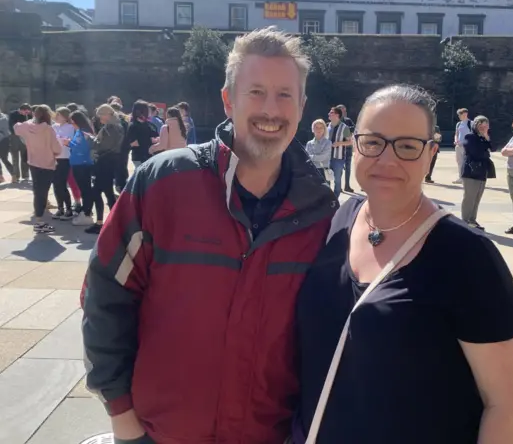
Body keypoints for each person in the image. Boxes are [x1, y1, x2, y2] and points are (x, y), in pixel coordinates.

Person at [81, 26, 338, 444]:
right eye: (255, 92)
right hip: (162, 432)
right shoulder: (164, 182)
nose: (270, 110)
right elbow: (105, 294)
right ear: (227, 99)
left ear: (303, 105)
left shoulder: (320, 211)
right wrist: (122, 416)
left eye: (284, 95)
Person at [295, 84, 513, 444]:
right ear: (355, 143)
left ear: (431, 153)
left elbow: (506, 404)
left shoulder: (466, 255)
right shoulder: (342, 218)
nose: (386, 160)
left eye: (407, 146)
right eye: (373, 142)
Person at [14, 105, 62, 233]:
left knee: (37, 190)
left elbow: (16, 128)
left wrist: (29, 121)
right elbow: (57, 148)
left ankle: (39, 219)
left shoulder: (28, 126)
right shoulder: (49, 130)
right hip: (47, 163)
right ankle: (40, 222)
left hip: (33, 161)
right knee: (43, 191)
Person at [84, 104, 124, 234]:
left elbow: (103, 146)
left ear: (108, 115)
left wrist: (90, 140)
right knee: (107, 193)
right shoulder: (116, 126)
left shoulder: (111, 128)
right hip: (109, 161)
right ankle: (113, 222)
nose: (99, 117)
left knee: (98, 192)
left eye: (101, 115)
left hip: (105, 162)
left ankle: (103, 222)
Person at [461, 115, 495, 230]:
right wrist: (486, 152)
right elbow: (475, 152)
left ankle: (472, 220)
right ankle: (465, 221)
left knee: (477, 198)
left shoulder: (484, 137)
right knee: (469, 197)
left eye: (485, 125)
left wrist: (486, 136)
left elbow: (493, 148)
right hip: (471, 171)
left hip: (482, 171)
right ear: (475, 125)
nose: (483, 127)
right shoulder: (469, 136)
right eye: (480, 125)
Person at [65, 111, 96, 227]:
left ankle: (87, 212)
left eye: (73, 122)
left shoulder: (84, 133)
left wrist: (70, 143)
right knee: (84, 189)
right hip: (78, 163)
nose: (72, 124)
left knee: (85, 189)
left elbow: (82, 148)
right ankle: (85, 210)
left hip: (82, 164)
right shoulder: (80, 131)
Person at [51, 107, 76, 220]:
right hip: (54, 157)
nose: (56, 117)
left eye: (59, 115)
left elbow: (69, 140)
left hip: (65, 158)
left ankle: (69, 208)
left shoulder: (70, 127)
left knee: (62, 184)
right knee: (56, 184)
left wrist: (61, 140)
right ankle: (60, 208)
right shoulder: (53, 126)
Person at [327, 106, 352, 197]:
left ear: (337, 115)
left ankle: (336, 198)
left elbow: (350, 142)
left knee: (337, 180)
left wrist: (339, 143)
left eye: (331, 112)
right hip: (326, 157)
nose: (329, 114)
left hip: (338, 158)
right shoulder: (327, 126)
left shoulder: (345, 128)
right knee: (327, 179)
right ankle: (328, 197)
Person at [127, 100, 158, 168]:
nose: (149, 111)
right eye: (147, 109)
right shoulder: (133, 126)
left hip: (150, 156)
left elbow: (156, 137)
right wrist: (150, 140)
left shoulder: (149, 125)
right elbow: (134, 143)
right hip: (139, 157)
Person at [8, 103, 31, 182]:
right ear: (22, 110)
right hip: (15, 137)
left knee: (24, 156)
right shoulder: (13, 114)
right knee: (15, 157)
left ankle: (25, 175)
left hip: (25, 137)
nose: (27, 114)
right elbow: (11, 126)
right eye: (26, 112)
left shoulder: (28, 116)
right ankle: (16, 176)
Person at [336, 104, 355, 193]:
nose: (344, 112)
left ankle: (347, 185)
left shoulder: (348, 120)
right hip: (339, 148)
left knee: (348, 167)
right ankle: (338, 187)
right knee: (339, 168)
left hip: (348, 147)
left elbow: (354, 128)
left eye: (344, 110)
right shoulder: (335, 121)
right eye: (342, 110)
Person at [453, 108, 472, 184]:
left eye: (460, 114)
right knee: (459, 162)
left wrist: (465, 143)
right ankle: (461, 177)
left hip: (467, 146)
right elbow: (456, 134)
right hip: (458, 146)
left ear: (465, 114)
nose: (459, 116)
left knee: (467, 162)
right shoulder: (458, 124)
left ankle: (468, 178)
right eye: (459, 115)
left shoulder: (471, 123)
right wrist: (456, 140)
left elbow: (473, 135)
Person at [0, 108, 14, 182]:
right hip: (4, 139)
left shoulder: (4, 118)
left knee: (4, 159)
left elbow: (5, 130)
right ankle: (1, 177)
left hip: (3, 141)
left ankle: (14, 175)